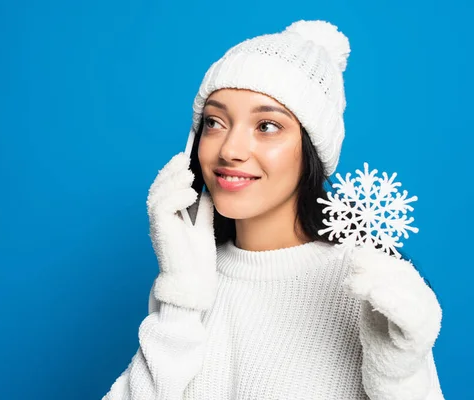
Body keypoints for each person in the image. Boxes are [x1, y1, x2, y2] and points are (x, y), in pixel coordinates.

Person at [102, 20, 444, 399]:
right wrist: (181, 298)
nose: (230, 149)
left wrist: (398, 378)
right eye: (214, 122)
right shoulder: (187, 280)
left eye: (266, 126)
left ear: (313, 148)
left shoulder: (372, 283)